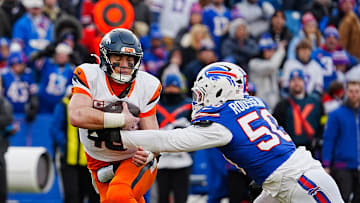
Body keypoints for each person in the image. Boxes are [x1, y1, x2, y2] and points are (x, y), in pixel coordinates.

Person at [116, 62, 344, 203]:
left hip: (300, 182)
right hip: (282, 182)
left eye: (203, 93)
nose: (200, 99)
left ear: (219, 89)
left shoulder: (221, 123)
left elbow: (171, 140)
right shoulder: (254, 102)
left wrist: (121, 137)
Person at [68, 28, 161, 203]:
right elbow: (77, 115)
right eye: (118, 58)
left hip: (132, 158)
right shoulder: (89, 75)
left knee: (119, 195)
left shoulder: (147, 85)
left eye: (129, 59)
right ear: (105, 57)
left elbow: (153, 137)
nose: (124, 65)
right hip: (99, 162)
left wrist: (148, 154)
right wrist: (120, 120)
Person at [50, 86, 100, 203]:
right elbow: (55, 129)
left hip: (90, 159)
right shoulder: (63, 106)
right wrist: (66, 145)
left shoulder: (93, 106)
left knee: (94, 195)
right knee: (72, 195)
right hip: (69, 159)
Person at [155, 74, 193, 203]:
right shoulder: (155, 105)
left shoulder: (189, 105)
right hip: (162, 159)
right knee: (162, 196)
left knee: (181, 196)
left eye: (174, 87)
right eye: (169, 87)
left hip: (183, 158)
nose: (171, 90)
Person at [322, 80, 360, 202]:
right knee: (341, 199)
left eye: (357, 91)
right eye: (351, 91)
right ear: (345, 92)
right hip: (342, 166)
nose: (354, 94)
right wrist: (326, 164)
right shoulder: (336, 114)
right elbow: (328, 140)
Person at [273, 69, 324, 154]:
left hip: (312, 148)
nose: (296, 83)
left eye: (299, 80)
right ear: (289, 83)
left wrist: (319, 138)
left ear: (304, 82)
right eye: (293, 80)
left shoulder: (316, 101)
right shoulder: (282, 105)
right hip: (291, 150)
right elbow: (276, 127)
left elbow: (323, 120)